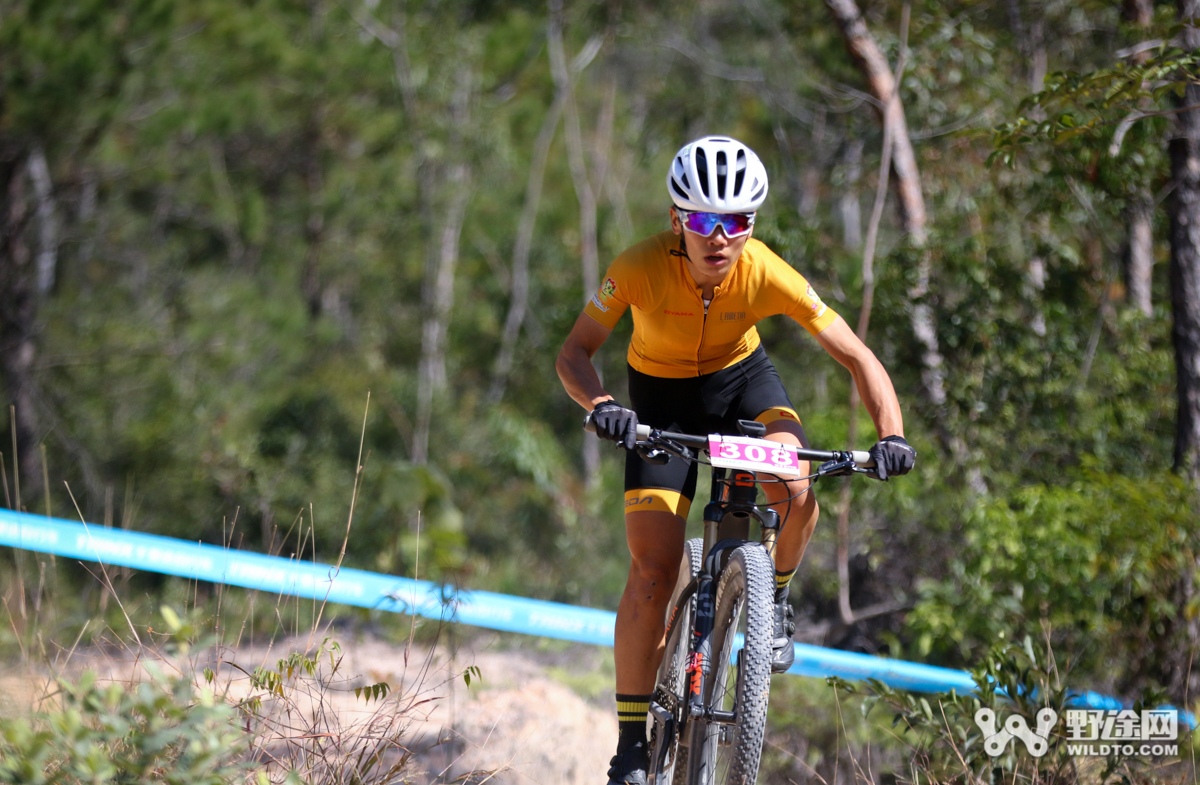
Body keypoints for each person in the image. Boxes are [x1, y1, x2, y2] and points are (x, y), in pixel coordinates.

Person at [555, 135, 915, 785]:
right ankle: (632, 745)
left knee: (795, 481)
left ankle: (769, 593)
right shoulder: (638, 265)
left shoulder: (767, 271)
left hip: (741, 388)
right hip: (659, 405)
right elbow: (574, 353)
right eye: (702, 221)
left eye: (737, 222)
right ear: (676, 220)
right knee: (650, 571)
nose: (719, 238)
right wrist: (602, 402)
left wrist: (891, 432)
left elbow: (858, 355)